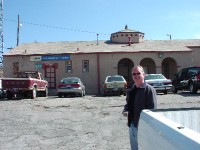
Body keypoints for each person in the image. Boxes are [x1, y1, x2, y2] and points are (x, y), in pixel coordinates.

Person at [122, 65, 157, 150]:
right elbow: (128, 104)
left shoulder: (149, 90)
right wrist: (125, 110)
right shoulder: (131, 90)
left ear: (143, 74)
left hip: (143, 127)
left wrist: (148, 128)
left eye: (138, 73)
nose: (136, 76)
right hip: (132, 125)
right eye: (134, 74)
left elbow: (153, 110)